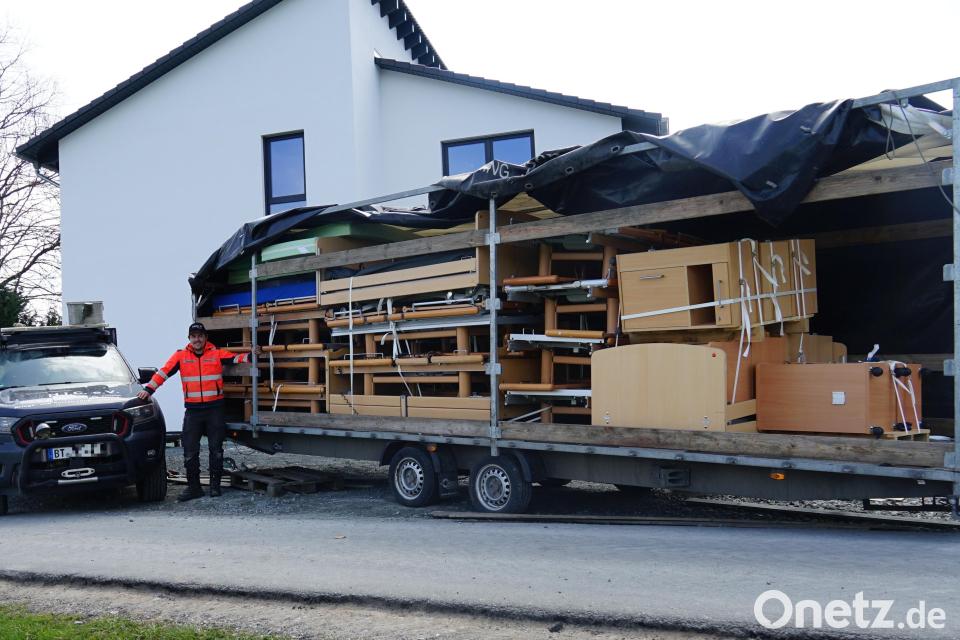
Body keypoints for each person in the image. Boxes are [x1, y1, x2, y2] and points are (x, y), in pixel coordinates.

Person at [138, 322, 261, 502]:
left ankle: (215, 487)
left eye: (200, 336)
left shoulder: (216, 353)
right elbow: (163, 373)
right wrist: (149, 390)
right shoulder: (180, 356)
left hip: (215, 410)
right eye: (194, 336)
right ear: (189, 338)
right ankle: (194, 488)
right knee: (189, 450)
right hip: (193, 411)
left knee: (216, 449)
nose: (197, 339)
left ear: (205, 338)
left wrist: (251, 355)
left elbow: (236, 359)